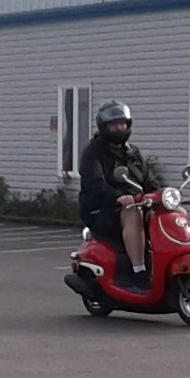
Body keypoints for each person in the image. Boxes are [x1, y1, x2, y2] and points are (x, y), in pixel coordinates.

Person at [78, 100, 159, 292]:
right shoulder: (93, 152)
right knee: (133, 214)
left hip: (135, 204)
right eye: (114, 124)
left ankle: (165, 264)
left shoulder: (133, 153)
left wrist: (160, 196)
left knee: (172, 212)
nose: (119, 127)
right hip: (101, 209)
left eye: (123, 123)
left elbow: (150, 181)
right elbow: (94, 184)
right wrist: (117, 197)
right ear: (104, 126)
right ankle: (138, 272)